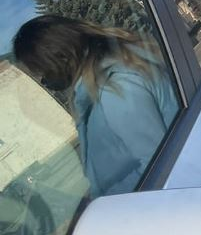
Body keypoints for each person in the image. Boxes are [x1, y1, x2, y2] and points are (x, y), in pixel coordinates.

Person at [13, 15, 178, 198]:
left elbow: (160, 168)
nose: (43, 81)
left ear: (61, 57)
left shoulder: (114, 91)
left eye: (42, 71)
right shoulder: (113, 73)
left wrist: (100, 205)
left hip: (149, 209)